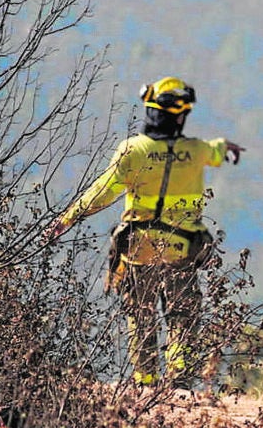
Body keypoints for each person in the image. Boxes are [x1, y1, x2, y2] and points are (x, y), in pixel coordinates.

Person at [44, 76, 244, 387]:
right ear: (180, 115)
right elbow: (215, 150)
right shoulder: (194, 150)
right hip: (182, 247)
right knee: (182, 316)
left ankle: (146, 381)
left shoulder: (132, 150)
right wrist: (227, 146)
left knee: (141, 316)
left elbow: (102, 191)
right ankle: (178, 381)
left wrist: (66, 219)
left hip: (139, 247)